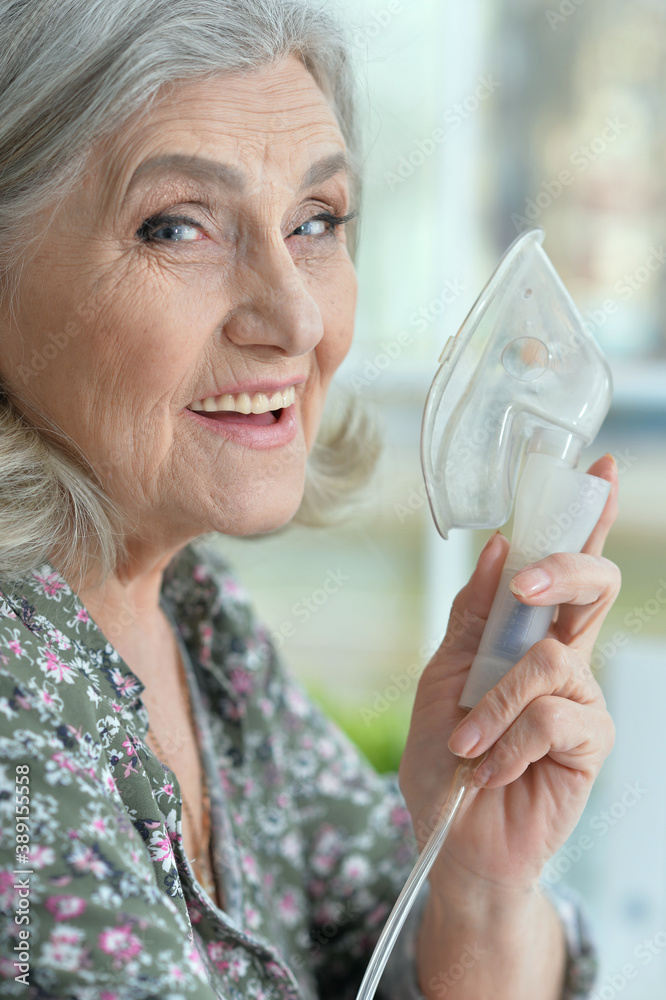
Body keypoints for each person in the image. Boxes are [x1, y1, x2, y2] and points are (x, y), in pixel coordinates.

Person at [0, 1, 620, 998]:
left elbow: (414, 941)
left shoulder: (202, 630)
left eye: (316, 222)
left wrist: (480, 876)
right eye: (177, 226)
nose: (295, 316)